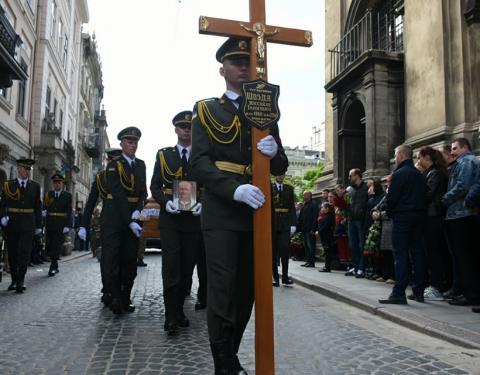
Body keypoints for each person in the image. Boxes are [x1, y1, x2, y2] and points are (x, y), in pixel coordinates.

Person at [190, 37, 288, 374]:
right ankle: (224, 363)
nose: (244, 67)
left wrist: (276, 153)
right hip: (222, 209)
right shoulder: (206, 110)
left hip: (257, 210)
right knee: (222, 287)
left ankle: (230, 353)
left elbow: (280, 165)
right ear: (223, 69)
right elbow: (199, 164)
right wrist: (233, 190)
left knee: (248, 288)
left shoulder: (264, 108)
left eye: (247, 61)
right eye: (235, 62)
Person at [151, 110, 205, 336]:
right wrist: (165, 203)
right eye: (182, 126)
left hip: (192, 221)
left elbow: (209, 184)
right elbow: (154, 186)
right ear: (175, 129)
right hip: (171, 220)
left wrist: (202, 203)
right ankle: (170, 316)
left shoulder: (202, 155)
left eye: (189, 126)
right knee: (171, 268)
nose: (186, 129)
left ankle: (179, 311)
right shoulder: (164, 155)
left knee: (186, 270)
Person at [103, 127, 147, 314]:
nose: (133, 145)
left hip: (133, 219)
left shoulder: (141, 165)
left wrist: (138, 211)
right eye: (129, 142)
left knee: (130, 261)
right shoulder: (114, 165)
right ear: (121, 144)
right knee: (112, 261)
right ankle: (114, 297)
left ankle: (126, 296)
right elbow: (118, 193)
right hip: (115, 218)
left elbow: (143, 192)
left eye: (135, 142)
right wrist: (129, 220)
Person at [379, 144, 427, 305]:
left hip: (402, 218)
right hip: (419, 217)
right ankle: (418, 291)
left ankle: (399, 293)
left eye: (395, 155)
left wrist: (391, 213)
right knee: (417, 253)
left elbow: (391, 199)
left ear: (400, 155)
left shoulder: (399, 174)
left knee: (400, 255)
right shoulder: (420, 175)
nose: (394, 158)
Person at [79, 148, 123, 306]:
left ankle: (119, 291)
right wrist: (83, 225)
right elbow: (91, 203)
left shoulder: (127, 175)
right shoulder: (100, 178)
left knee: (122, 259)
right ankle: (107, 289)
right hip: (108, 220)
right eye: (113, 161)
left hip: (125, 221)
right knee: (108, 259)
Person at [441, 138, 480, 306]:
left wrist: (445, 199)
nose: (452, 152)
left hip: (461, 214)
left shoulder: (467, 161)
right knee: (464, 257)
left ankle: (470, 294)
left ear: (465, 147)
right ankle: (467, 292)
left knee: (465, 258)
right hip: (459, 213)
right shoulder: (464, 161)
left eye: (455, 148)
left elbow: (463, 186)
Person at [0, 158, 42, 293]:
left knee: (24, 252)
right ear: (18, 168)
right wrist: (2, 217)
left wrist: (38, 226)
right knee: (12, 253)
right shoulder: (8, 185)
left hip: (28, 223)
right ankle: (14, 279)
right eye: (24, 169)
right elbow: (2, 205)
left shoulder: (35, 186)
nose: (26, 172)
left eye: (28, 169)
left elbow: (38, 207)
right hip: (12, 223)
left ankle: (21, 281)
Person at [416, 146, 449, 300]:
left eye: (419, 157)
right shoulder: (431, 172)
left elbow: (427, 194)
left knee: (434, 253)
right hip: (431, 216)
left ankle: (436, 287)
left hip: (434, 217)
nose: (418, 161)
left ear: (427, 157)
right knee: (432, 253)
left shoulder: (434, 173)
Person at [43, 172, 72, 276]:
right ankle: (55, 265)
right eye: (55, 183)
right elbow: (45, 206)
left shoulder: (67, 196)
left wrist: (67, 225)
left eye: (59, 183)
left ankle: (52, 267)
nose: (57, 185)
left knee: (56, 245)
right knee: (50, 245)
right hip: (50, 222)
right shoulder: (48, 194)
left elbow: (69, 211)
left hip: (61, 223)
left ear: (62, 184)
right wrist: (44, 212)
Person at [271, 174, 296, 286]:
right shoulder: (270, 187)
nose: (280, 177)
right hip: (273, 222)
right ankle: (275, 277)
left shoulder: (289, 188)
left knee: (285, 250)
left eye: (282, 175)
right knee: (273, 251)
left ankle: (285, 277)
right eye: (279, 174)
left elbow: (292, 208)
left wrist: (293, 224)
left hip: (285, 224)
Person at [346, 168, 369, 278]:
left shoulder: (366, 187)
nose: (349, 178)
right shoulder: (350, 189)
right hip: (351, 219)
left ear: (357, 176)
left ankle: (361, 268)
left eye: (351, 175)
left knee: (361, 245)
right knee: (352, 245)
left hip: (361, 220)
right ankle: (355, 267)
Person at [297, 191, 319, 267]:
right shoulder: (304, 205)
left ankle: (311, 262)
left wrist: (313, 229)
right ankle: (308, 261)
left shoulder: (314, 204)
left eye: (305, 195)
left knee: (311, 246)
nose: (304, 197)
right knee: (306, 246)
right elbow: (301, 217)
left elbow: (315, 217)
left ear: (309, 195)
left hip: (310, 229)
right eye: (303, 195)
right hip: (304, 229)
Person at [317, 202, 335, 272]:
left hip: (327, 236)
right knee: (327, 251)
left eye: (322, 207)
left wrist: (319, 231)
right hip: (325, 236)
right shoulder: (327, 215)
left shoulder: (329, 216)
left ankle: (327, 267)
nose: (321, 209)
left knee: (328, 252)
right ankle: (326, 266)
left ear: (327, 208)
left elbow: (325, 226)